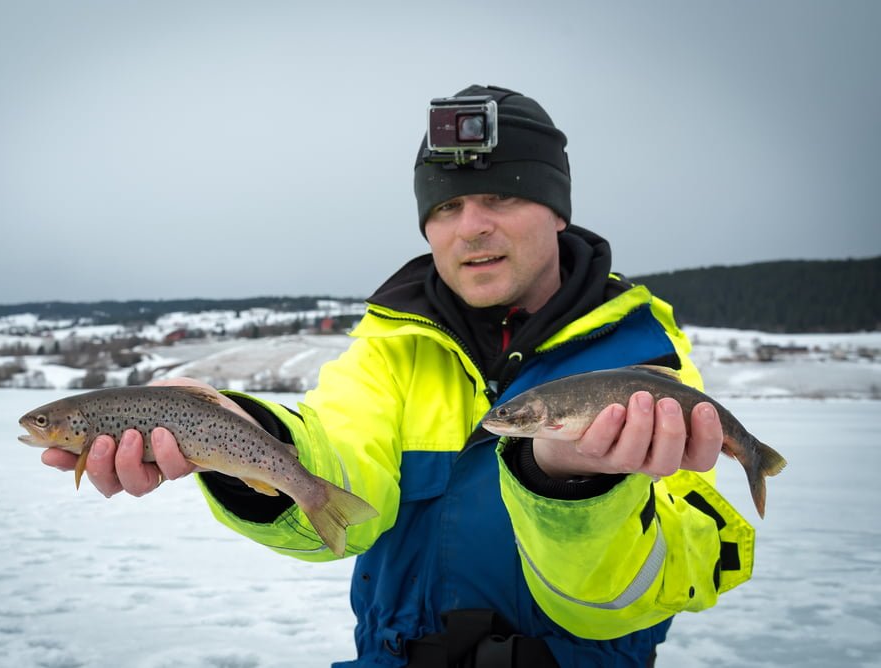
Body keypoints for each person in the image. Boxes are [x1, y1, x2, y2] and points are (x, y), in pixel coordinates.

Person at [42, 84, 755, 667]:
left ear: (556, 210)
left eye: (499, 197)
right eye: (445, 207)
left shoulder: (644, 360)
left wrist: (574, 488)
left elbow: (659, 582)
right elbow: (340, 471)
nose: (469, 226)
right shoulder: (387, 351)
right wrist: (233, 439)